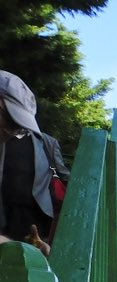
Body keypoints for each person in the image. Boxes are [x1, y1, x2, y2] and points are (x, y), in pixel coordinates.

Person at [0, 70, 70, 257]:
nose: (12, 128)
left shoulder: (46, 142)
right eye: (11, 118)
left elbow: (65, 177)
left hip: (32, 224)